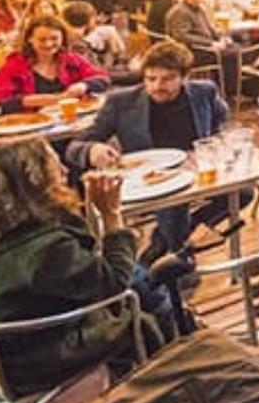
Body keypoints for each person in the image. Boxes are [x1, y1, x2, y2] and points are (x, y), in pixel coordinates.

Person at [0, 138, 168, 393]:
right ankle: (178, 373)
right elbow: (112, 284)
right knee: (139, 298)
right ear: (32, 186)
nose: (66, 172)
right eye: (55, 168)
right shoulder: (44, 249)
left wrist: (88, 211)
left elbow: (82, 270)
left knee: (141, 282)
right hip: (26, 369)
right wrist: (111, 215)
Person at [67, 41, 243, 261]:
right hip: (150, 180)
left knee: (244, 192)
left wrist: (213, 149)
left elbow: (223, 126)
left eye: (167, 79)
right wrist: (92, 149)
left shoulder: (204, 92)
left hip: (198, 172)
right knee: (173, 209)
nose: (157, 86)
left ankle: (170, 239)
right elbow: (74, 147)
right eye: (150, 79)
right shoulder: (121, 102)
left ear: (185, 77)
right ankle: (174, 261)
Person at [0, 15, 110, 114]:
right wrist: (30, 101)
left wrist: (84, 85)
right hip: (31, 127)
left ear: (62, 38)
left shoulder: (72, 59)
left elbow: (103, 78)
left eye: (54, 38)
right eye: (42, 39)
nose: (48, 44)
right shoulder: (13, 67)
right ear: (30, 39)